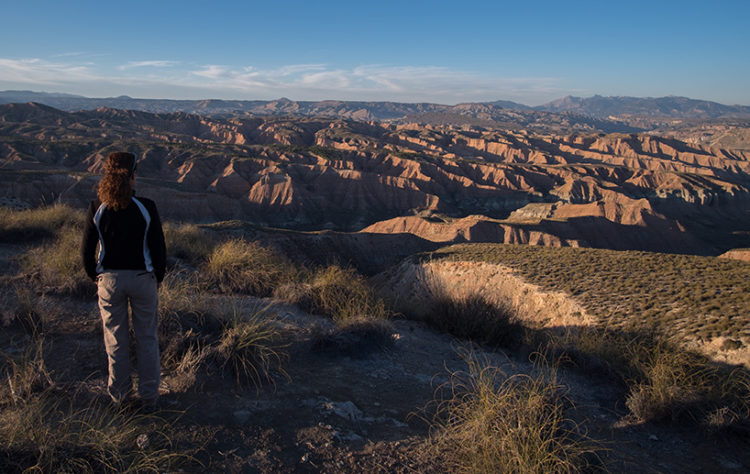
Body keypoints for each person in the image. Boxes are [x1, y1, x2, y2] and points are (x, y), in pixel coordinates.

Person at [81, 151, 166, 411]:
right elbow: (159, 249)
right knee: (147, 339)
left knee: (115, 341)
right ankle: (149, 399)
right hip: (142, 279)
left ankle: (120, 398)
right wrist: (156, 278)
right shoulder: (146, 207)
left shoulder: (98, 208)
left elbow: (86, 251)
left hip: (109, 281)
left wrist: (96, 277)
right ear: (133, 174)